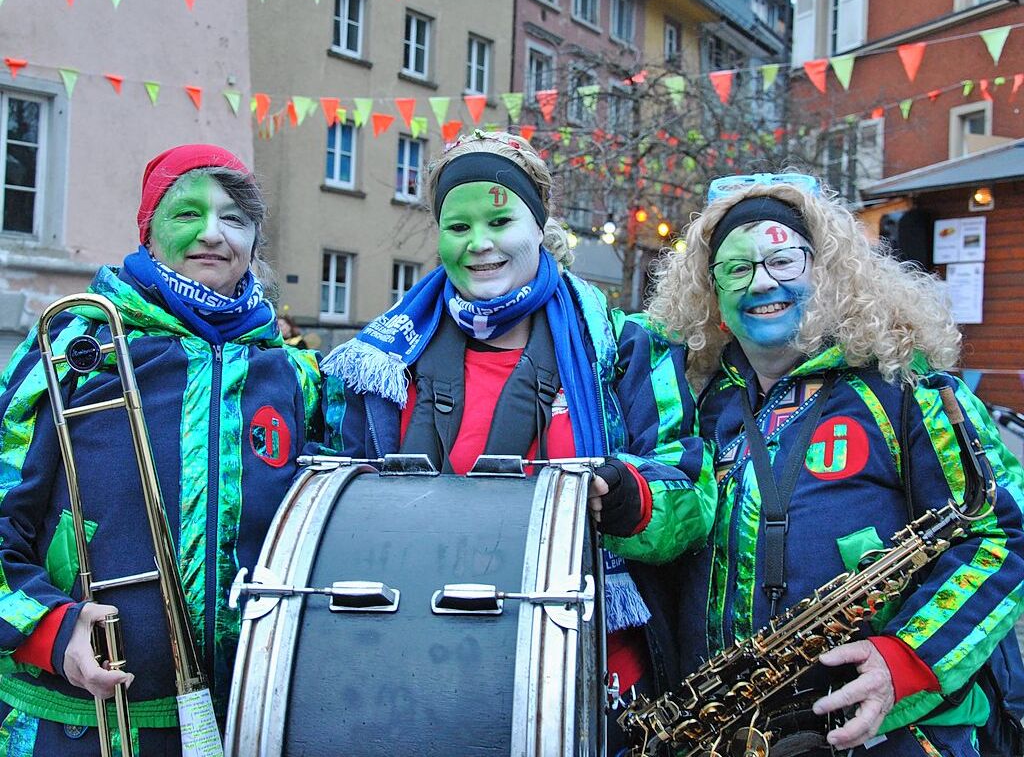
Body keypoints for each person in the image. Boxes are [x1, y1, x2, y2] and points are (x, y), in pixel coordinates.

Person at [320, 130, 717, 752]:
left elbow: (693, 495)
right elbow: (340, 508)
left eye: (500, 219)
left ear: (539, 225)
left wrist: (625, 497)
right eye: (457, 226)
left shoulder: (625, 347)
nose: (479, 244)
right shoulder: (381, 362)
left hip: (589, 672)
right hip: (418, 671)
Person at [646, 174, 1024, 756]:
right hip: (725, 733)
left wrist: (908, 658)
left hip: (889, 734)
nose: (761, 282)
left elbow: (1002, 531)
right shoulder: (697, 402)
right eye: (736, 269)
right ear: (711, 294)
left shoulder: (907, 388)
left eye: (783, 259)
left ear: (826, 274)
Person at [0, 144, 321, 754]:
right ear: (148, 233)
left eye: (234, 218)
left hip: (243, 725)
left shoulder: (293, 375)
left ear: (254, 239)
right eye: (186, 214)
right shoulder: (70, 350)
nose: (212, 234)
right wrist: (47, 627)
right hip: (72, 729)